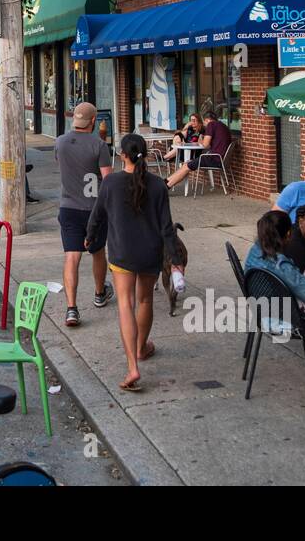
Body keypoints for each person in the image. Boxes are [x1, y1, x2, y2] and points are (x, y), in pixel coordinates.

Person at [85, 133, 181, 392]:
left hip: (122, 253)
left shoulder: (111, 183)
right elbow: (167, 227)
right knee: (145, 300)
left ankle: (132, 367)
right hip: (151, 252)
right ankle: (142, 348)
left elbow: (97, 216)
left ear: (122, 155)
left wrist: (90, 237)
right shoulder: (159, 185)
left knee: (125, 304)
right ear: (145, 154)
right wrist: (177, 259)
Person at [56, 102, 114, 327]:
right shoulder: (99, 145)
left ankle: (71, 309)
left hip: (68, 207)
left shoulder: (60, 142)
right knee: (97, 251)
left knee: (72, 256)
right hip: (94, 208)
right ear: (92, 121)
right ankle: (100, 294)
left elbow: (61, 165)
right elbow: (107, 179)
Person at [244, 210, 305, 339]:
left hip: (261, 313)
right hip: (288, 322)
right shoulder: (281, 265)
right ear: (289, 234)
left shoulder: (256, 249)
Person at [164, 109, 232, 190]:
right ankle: (166, 181)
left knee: (186, 166)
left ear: (207, 120)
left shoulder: (211, 125)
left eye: (204, 123)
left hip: (214, 158)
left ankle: (167, 185)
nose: (205, 125)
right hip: (220, 159)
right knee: (188, 164)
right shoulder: (224, 126)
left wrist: (201, 140)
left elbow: (205, 145)